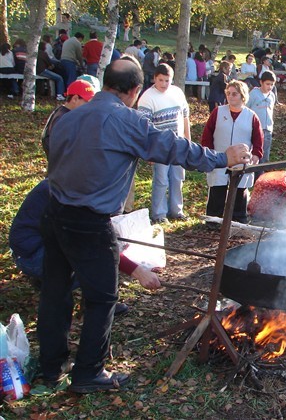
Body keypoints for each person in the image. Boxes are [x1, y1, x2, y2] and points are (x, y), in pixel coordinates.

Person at [38, 58, 252, 394]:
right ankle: (88, 373)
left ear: (104, 82)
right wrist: (221, 158)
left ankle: (51, 367)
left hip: (53, 214)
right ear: (136, 91)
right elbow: (172, 147)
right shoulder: (125, 120)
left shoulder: (66, 118)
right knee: (102, 298)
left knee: (55, 292)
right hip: (89, 221)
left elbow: (55, 158)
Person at [9, 179, 162, 291]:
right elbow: (94, 243)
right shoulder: (70, 193)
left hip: (43, 244)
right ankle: (92, 301)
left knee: (99, 254)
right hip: (31, 255)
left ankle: (51, 282)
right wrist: (139, 272)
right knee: (95, 263)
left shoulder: (74, 182)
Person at [201, 80, 263, 223]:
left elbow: (258, 138)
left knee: (239, 191)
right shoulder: (218, 112)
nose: (230, 96)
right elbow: (207, 134)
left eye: (234, 94)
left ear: (242, 96)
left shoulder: (251, 116)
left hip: (241, 160)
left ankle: (238, 219)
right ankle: (214, 219)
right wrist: (208, 151)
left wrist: (256, 154)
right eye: (228, 93)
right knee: (217, 188)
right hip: (220, 157)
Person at [137, 63, 191, 223]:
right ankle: (159, 214)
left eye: (167, 80)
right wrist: (148, 150)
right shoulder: (147, 97)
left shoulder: (177, 93)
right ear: (154, 78)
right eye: (160, 80)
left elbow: (185, 117)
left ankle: (176, 210)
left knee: (177, 177)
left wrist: (188, 140)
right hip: (160, 146)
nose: (164, 84)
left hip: (178, 144)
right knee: (161, 180)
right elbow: (144, 128)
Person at [41, 79, 97, 158]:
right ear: (75, 99)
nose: (90, 106)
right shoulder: (64, 119)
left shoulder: (62, 112)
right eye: (87, 102)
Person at [247, 70, 277, 177]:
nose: (270, 87)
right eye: (267, 84)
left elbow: (270, 111)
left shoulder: (272, 96)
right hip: (254, 130)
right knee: (254, 154)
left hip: (267, 130)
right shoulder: (253, 94)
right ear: (261, 82)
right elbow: (246, 109)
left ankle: (260, 178)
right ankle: (251, 176)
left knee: (264, 156)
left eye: (272, 84)